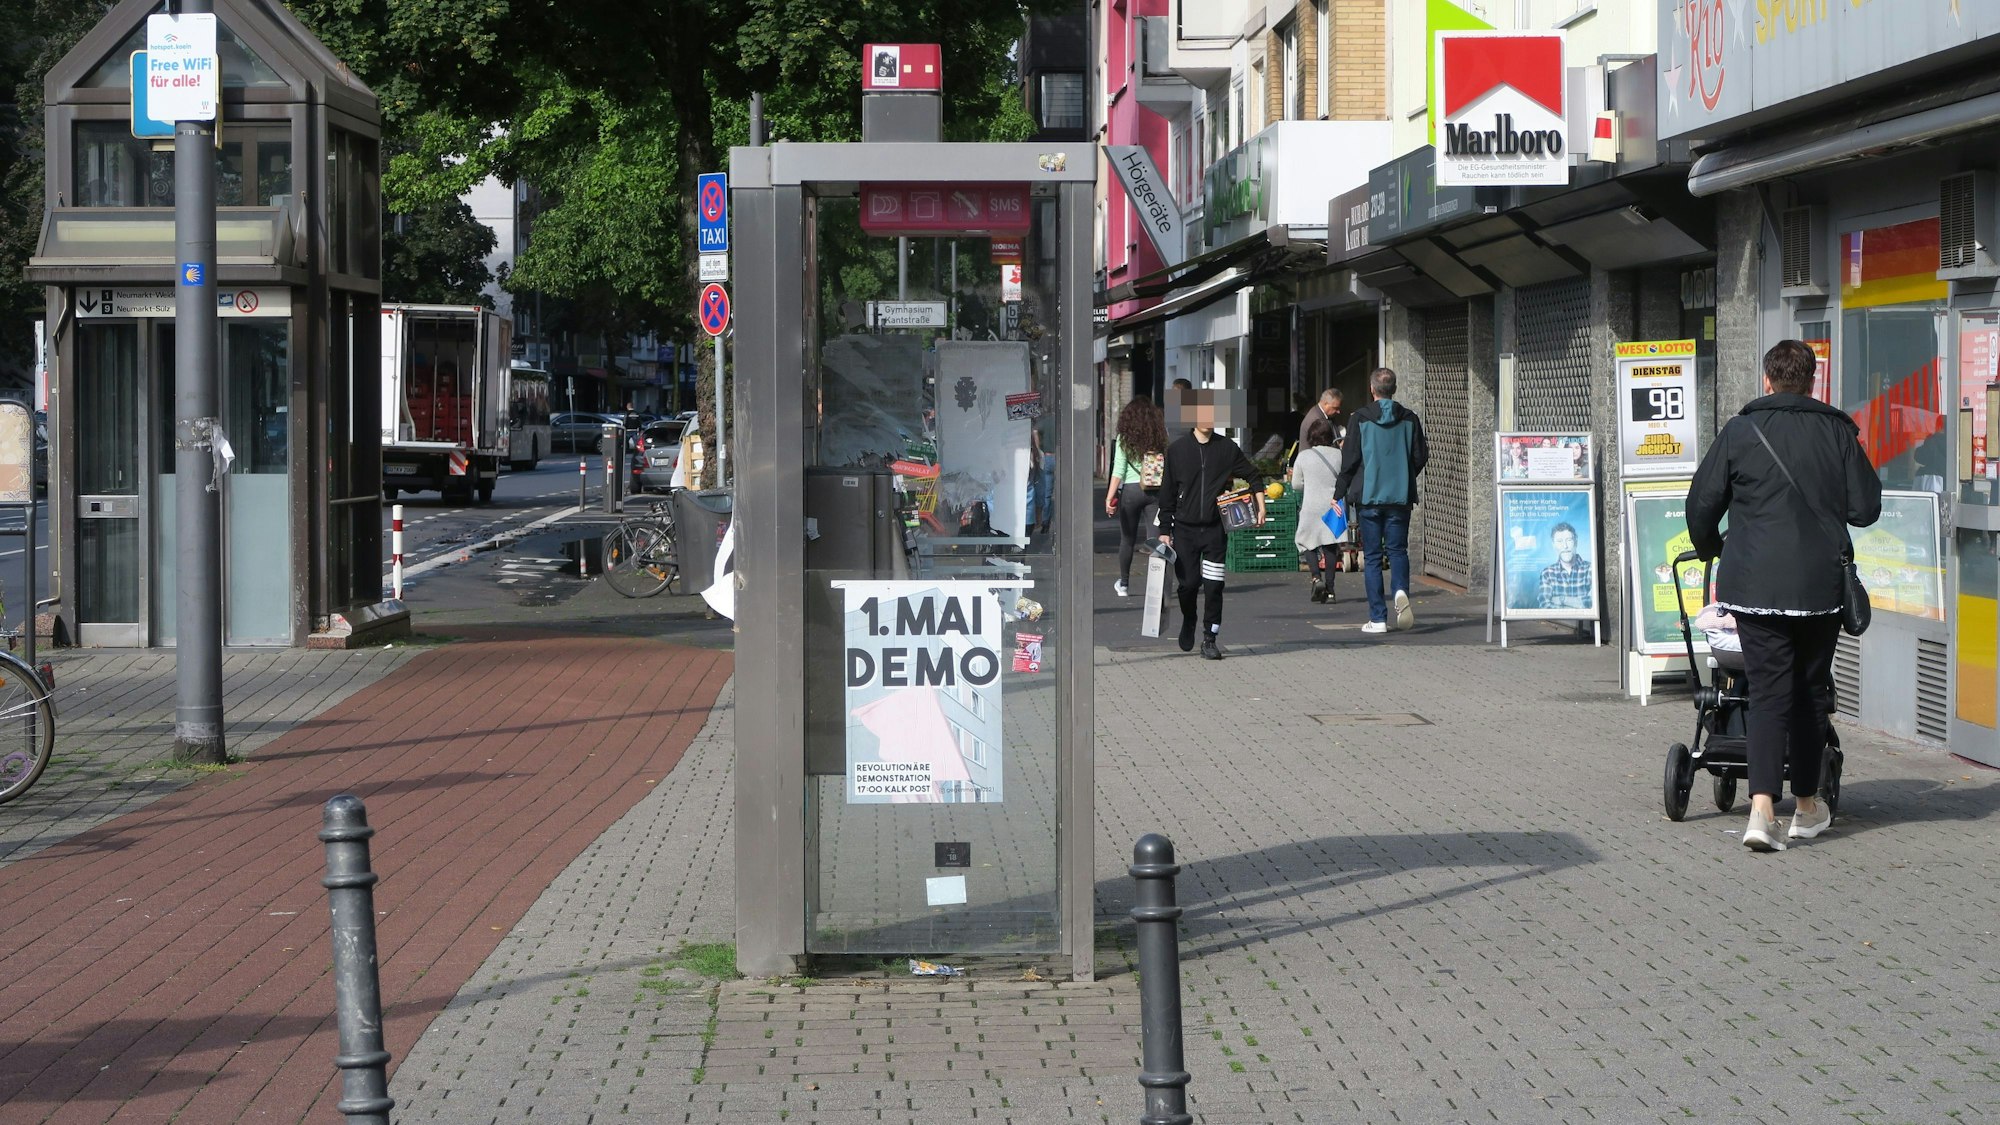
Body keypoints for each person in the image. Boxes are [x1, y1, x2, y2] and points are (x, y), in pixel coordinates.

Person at [1687, 339, 1882, 852]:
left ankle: (1761, 813)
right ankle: (1809, 807)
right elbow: (1865, 508)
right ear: (1812, 382)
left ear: (1767, 381)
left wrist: (1711, 547)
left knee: (1769, 693)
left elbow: (1702, 503)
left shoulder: (1741, 430)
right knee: (1811, 691)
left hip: (1753, 584)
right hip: (1818, 586)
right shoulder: (1838, 431)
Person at [1157, 396, 1265, 660]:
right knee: (1188, 585)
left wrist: (1261, 507)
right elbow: (1167, 493)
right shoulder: (1178, 450)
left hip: (1216, 529)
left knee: (1214, 585)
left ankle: (1210, 638)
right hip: (1185, 530)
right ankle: (1189, 618)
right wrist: (1164, 529)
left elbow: (1253, 476)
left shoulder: (1227, 448)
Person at [1335, 367, 1429, 635]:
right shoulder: (1410, 418)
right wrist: (1404, 475)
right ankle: (1400, 590)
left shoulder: (1360, 419)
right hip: (1400, 497)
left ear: (1372, 388)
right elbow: (1420, 455)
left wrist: (1339, 492)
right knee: (1398, 551)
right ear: (1394, 389)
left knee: (1373, 557)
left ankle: (1378, 618)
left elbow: (1350, 460)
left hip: (1369, 497)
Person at [1105, 396, 1169, 598]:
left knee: (1127, 539)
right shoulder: (1160, 435)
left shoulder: (1125, 438)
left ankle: (1124, 584)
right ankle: (1156, 586)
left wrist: (1109, 497)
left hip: (1131, 492)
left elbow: (1119, 471)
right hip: (1155, 490)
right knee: (1156, 539)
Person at [1293, 431, 1345, 604]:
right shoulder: (1339, 455)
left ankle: (1316, 578)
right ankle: (1330, 590)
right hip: (1333, 505)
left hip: (1311, 505)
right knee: (1330, 546)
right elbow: (1345, 478)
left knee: (1307, 542)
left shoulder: (1303, 456)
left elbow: (1296, 485)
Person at [1536, 522, 1593, 609]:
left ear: (1576, 542)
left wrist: (1562, 599)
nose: (1565, 546)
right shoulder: (1547, 573)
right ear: (1553, 545)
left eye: (1569, 540)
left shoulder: (1590, 569)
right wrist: (1578, 604)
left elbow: (1592, 604)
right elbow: (1545, 606)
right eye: (1559, 541)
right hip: (1556, 623)